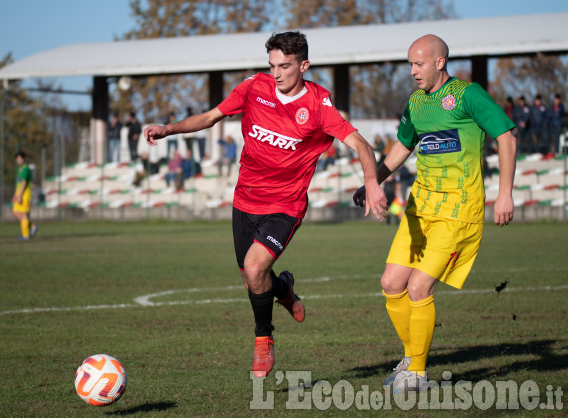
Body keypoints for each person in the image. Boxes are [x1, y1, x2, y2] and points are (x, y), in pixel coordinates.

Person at [144, 30, 387, 378]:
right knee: (251, 279)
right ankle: (284, 289)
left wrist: (372, 182)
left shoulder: (319, 105)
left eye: (285, 66)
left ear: (304, 65)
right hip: (245, 201)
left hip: (284, 206)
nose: (276, 74)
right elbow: (211, 116)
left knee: (256, 270)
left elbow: (363, 146)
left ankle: (263, 339)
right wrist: (169, 129)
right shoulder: (253, 88)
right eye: (272, 65)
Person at [353, 34, 516, 394]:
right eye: (410, 63)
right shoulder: (415, 104)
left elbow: (507, 137)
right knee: (391, 284)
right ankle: (411, 359)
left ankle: (419, 374)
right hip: (421, 208)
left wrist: (505, 194)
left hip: (458, 211)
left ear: (440, 63)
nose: (413, 71)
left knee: (418, 286)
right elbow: (400, 149)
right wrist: (372, 182)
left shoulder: (468, 95)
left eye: (419, 63)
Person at [12, 152, 38, 241]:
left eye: (20, 158)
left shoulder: (26, 169)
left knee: (23, 214)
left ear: (24, 159)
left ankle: (26, 235)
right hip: (19, 194)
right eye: (17, 159)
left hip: (24, 194)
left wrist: (20, 196)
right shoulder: (20, 169)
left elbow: (24, 183)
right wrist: (15, 195)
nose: (19, 160)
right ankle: (32, 226)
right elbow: (18, 184)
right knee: (15, 212)